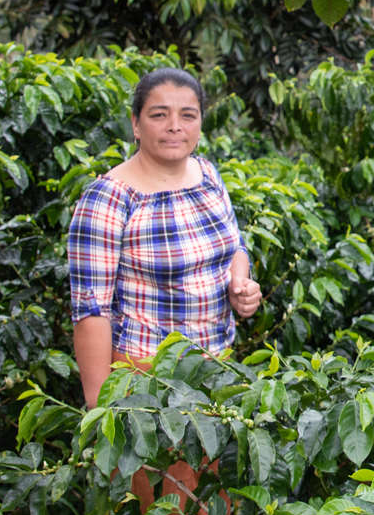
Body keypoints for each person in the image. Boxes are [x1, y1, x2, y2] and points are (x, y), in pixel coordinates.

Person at [67, 66, 264, 407]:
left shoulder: (207, 174)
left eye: (188, 115)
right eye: (159, 115)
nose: (175, 126)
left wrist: (240, 285)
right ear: (136, 124)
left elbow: (236, 247)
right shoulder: (108, 198)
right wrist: (100, 409)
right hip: (146, 380)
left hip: (216, 369)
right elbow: (91, 311)